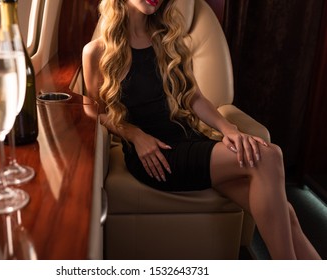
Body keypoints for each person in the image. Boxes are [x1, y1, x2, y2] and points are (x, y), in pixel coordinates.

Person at [82, 0, 321, 260]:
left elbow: (193, 97)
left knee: (286, 213)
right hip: (158, 156)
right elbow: (95, 110)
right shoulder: (96, 51)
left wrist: (229, 129)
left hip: (189, 140)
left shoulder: (166, 38)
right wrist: (135, 135)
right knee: (270, 156)